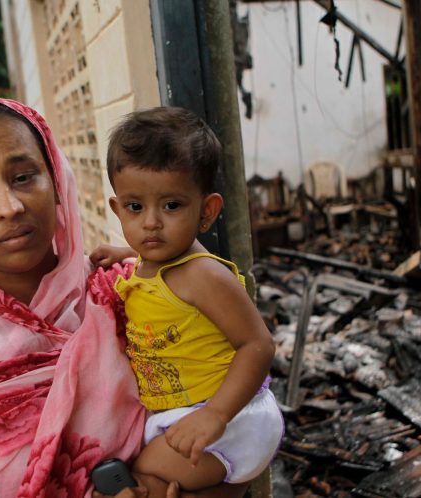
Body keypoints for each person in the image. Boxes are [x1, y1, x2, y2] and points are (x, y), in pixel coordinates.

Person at [0, 97, 244, 498]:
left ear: (57, 180)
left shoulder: (130, 296)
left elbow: (240, 432)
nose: (9, 207)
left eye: (24, 177)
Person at [90, 107, 283, 494]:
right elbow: (156, 270)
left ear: (206, 211)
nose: (151, 223)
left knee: (145, 472)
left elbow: (258, 344)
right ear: (117, 209)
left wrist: (216, 414)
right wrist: (124, 254)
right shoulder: (152, 261)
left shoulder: (204, 276)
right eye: (135, 207)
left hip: (230, 418)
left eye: (172, 206)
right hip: (190, 415)